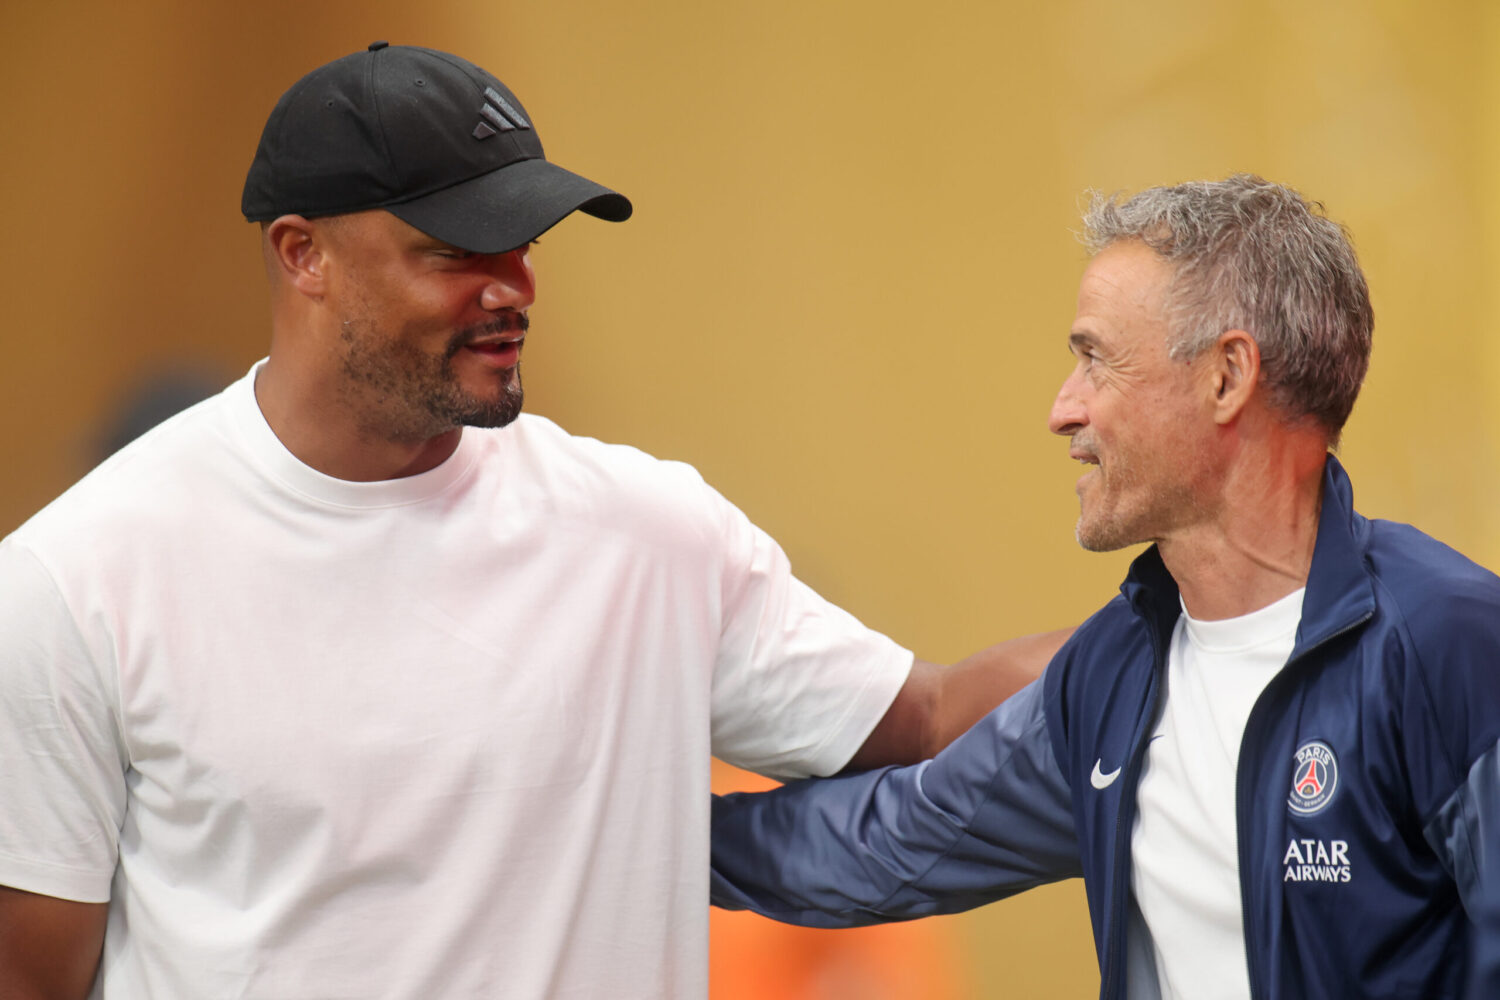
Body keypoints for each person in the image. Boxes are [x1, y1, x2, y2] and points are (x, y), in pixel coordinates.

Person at [0, 43, 1063, 1000]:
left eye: (525, 241)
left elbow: (929, 718)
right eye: (458, 249)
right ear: (302, 254)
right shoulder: (76, 579)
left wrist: (1164, 633)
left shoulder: (651, 536)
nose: (515, 287)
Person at [712, 174, 1500, 999]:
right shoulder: (1112, 677)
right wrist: (645, 827)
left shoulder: (1448, 643)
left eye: (1096, 359)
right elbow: (878, 847)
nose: (1063, 409)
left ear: (1227, 376)